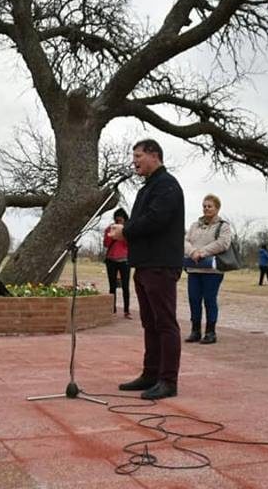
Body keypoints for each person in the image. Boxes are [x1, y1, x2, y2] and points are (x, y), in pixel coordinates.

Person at [108, 139, 185, 400]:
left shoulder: (167, 186)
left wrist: (125, 231)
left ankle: (168, 380)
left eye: (139, 156)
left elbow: (155, 220)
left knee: (165, 323)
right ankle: (150, 374)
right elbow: (142, 220)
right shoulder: (148, 187)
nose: (135, 161)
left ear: (154, 155)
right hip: (144, 264)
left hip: (161, 264)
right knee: (150, 324)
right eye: (134, 156)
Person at [182, 194, 232, 345]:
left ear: (217, 208)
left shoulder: (223, 226)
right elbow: (185, 241)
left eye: (210, 206)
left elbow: (223, 243)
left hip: (212, 270)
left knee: (209, 300)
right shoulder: (195, 225)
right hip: (194, 268)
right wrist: (192, 252)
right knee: (194, 299)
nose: (206, 209)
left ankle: (211, 331)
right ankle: (195, 330)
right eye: (204, 206)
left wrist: (202, 252)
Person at [102, 207, 132, 318]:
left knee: (125, 286)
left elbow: (130, 244)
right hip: (111, 259)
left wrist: (123, 234)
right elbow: (106, 244)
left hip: (124, 260)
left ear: (124, 219)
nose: (119, 222)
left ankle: (126, 310)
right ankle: (112, 309)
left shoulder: (128, 229)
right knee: (112, 286)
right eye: (117, 220)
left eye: (121, 220)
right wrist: (111, 234)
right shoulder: (110, 228)